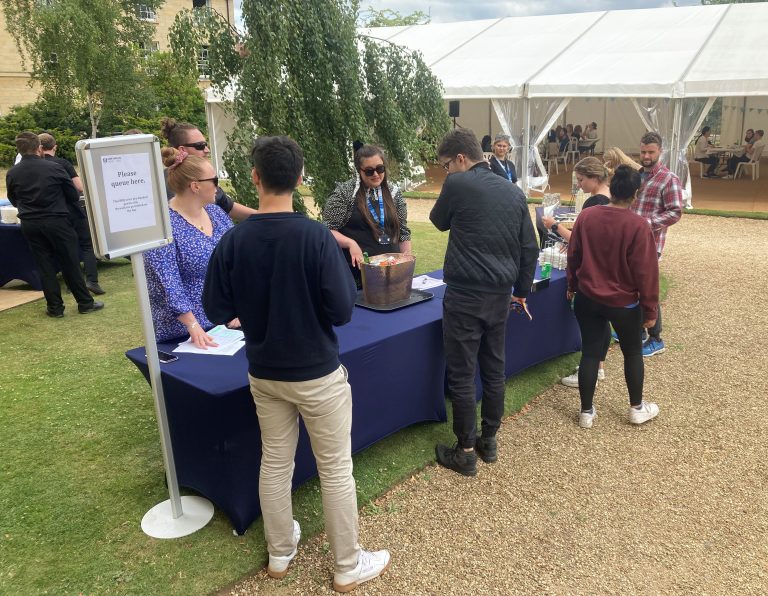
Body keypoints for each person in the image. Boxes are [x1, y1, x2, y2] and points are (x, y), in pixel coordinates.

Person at [202, 136, 390, 592]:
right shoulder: (314, 237)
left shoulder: (235, 239)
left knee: (275, 462)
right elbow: (342, 309)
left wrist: (254, 312)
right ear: (301, 178)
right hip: (315, 372)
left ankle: (281, 551)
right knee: (335, 468)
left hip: (265, 371)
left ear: (255, 177)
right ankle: (346, 564)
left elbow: (215, 307)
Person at [430, 128, 538, 476]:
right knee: (494, 369)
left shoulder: (458, 184)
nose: (447, 171)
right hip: (499, 294)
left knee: (462, 374)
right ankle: (489, 440)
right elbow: (529, 248)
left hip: (464, 294)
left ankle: (465, 450)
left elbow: (437, 221)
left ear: (461, 158)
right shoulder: (512, 191)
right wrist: (521, 290)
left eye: (446, 165)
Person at [567, 165, 660, 428]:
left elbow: (573, 255)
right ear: (636, 193)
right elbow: (647, 273)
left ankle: (586, 412)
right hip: (624, 302)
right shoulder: (638, 225)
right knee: (632, 353)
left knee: (590, 352)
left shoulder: (588, 216)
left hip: (588, 297)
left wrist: (572, 284)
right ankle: (636, 408)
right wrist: (650, 310)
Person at [143, 148, 234, 347]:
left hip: (224, 324)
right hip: (182, 331)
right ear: (195, 186)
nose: (218, 187)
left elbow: (237, 263)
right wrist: (192, 325)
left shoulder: (216, 214)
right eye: (215, 181)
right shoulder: (162, 226)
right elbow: (168, 281)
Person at [6, 132, 103, 317]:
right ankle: (84, 302)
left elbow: (13, 199)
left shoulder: (13, 172)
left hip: (30, 222)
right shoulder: (54, 168)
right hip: (56, 220)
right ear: (39, 148)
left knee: (44, 265)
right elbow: (73, 195)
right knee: (70, 262)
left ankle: (55, 308)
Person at [541, 157, 612, 387]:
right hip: (607, 268)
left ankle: (589, 371)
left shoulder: (595, 203)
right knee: (602, 322)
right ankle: (599, 366)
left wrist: (554, 226)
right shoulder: (612, 196)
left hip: (591, 271)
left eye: (581, 180)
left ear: (594, 178)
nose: (579, 185)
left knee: (591, 325)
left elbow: (579, 242)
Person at [323, 144, 411, 288]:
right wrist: (350, 243)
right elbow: (327, 229)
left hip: (392, 272)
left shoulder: (394, 192)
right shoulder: (344, 193)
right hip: (357, 276)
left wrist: (406, 262)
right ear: (359, 171)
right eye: (369, 171)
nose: (376, 174)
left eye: (380, 168)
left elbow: (403, 232)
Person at [634, 131, 682, 357]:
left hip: (651, 242)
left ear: (660, 152)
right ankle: (638, 330)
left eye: (650, 152)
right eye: (643, 151)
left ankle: (656, 338)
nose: (646, 156)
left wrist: (647, 223)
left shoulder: (668, 179)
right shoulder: (637, 175)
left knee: (648, 287)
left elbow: (675, 212)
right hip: (631, 240)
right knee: (633, 285)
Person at [38, 132, 104, 295]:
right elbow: (80, 187)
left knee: (66, 248)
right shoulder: (62, 163)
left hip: (51, 213)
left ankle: (72, 283)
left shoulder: (36, 166)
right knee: (87, 245)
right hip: (72, 209)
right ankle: (92, 281)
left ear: (39, 148)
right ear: (55, 147)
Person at [159, 117, 258, 221]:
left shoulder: (203, 177)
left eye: (205, 145)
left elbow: (230, 207)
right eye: (200, 146)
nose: (207, 150)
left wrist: (268, 217)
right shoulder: (165, 186)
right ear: (182, 150)